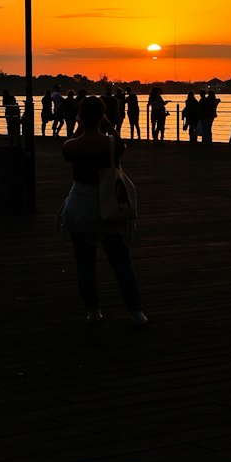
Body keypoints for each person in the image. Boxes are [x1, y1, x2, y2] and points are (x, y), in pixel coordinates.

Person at [57, 95, 148, 325]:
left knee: (85, 263)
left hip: (80, 204)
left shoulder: (72, 146)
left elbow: (68, 146)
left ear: (79, 117)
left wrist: (80, 127)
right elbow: (121, 146)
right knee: (120, 261)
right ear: (102, 116)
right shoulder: (110, 143)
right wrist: (106, 124)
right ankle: (136, 311)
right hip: (108, 203)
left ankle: (93, 311)